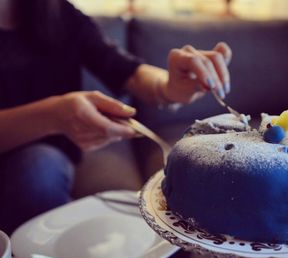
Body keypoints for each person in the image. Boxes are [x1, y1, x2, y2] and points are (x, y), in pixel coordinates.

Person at [0, 0, 232, 234]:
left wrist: (169, 87)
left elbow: (124, 69)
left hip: (49, 155)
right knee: (36, 172)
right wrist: (52, 115)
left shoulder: (59, 13)